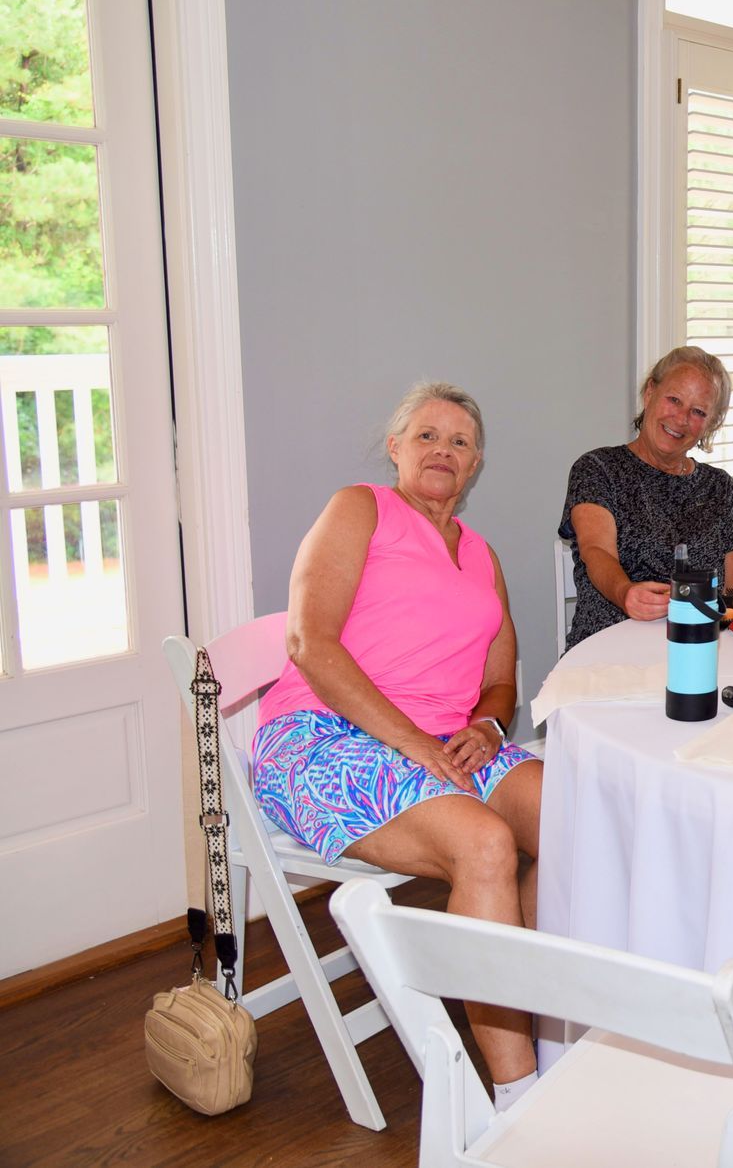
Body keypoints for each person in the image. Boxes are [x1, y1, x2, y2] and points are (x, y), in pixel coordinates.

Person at [252, 382, 543, 1110]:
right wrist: (415, 744)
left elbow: (501, 680)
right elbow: (308, 644)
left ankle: (503, 983)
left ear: (476, 464)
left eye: (460, 442)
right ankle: (520, 1102)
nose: (442, 450)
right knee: (482, 845)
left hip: (446, 742)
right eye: (426, 435)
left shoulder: (481, 554)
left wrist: (488, 725)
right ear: (395, 447)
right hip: (321, 736)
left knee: (578, 815)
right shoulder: (360, 508)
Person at [559, 346, 733, 649]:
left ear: (710, 424)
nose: (681, 419)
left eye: (698, 412)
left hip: (696, 648)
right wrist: (625, 592)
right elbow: (596, 551)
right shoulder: (598, 469)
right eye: (674, 399)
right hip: (608, 651)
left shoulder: (720, 487)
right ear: (650, 393)